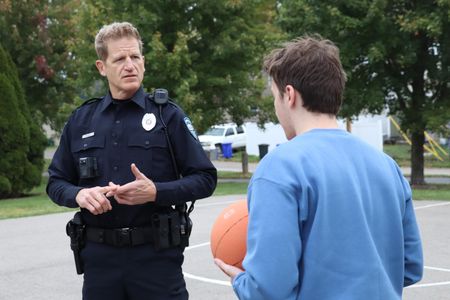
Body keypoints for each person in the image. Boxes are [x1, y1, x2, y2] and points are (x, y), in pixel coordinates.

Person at [214, 36, 423, 299]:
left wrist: (242, 282)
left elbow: (268, 290)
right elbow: (410, 267)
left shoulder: (280, 168)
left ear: (289, 95)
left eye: (275, 98)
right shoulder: (387, 166)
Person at [47, 22, 217, 300]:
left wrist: (156, 192)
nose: (130, 65)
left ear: (144, 62)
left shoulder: (167, 116)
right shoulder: (81, 120)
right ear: (102, 67)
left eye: (135, 57)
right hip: (99, 263)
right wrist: (79, 194)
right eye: (120, 59)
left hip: (156, 259)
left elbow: (205, 179)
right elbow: (56, 182)